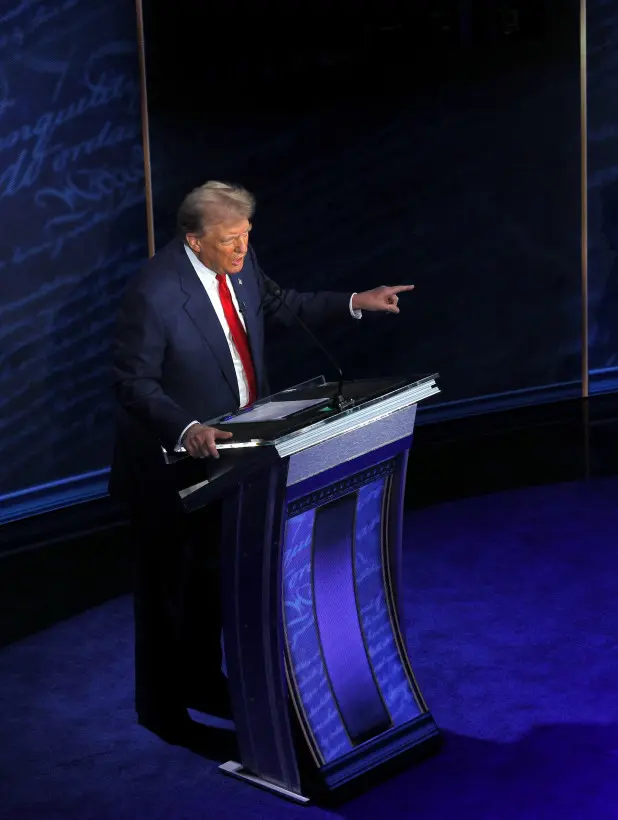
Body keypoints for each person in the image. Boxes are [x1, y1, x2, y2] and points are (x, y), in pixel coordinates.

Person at [109, 181, 413, 747]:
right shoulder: (153, 293)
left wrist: (354, 302)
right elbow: (133, 383)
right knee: (166, 594)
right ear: (194, 240)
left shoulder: (243, 264)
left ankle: (202, 681)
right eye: (231, 240)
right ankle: (160, 709)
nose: (242, 249)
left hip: (237, 458)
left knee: (210, 582)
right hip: (170, 470)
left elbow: (284, 304)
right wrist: (186, 428)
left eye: (247, 236)